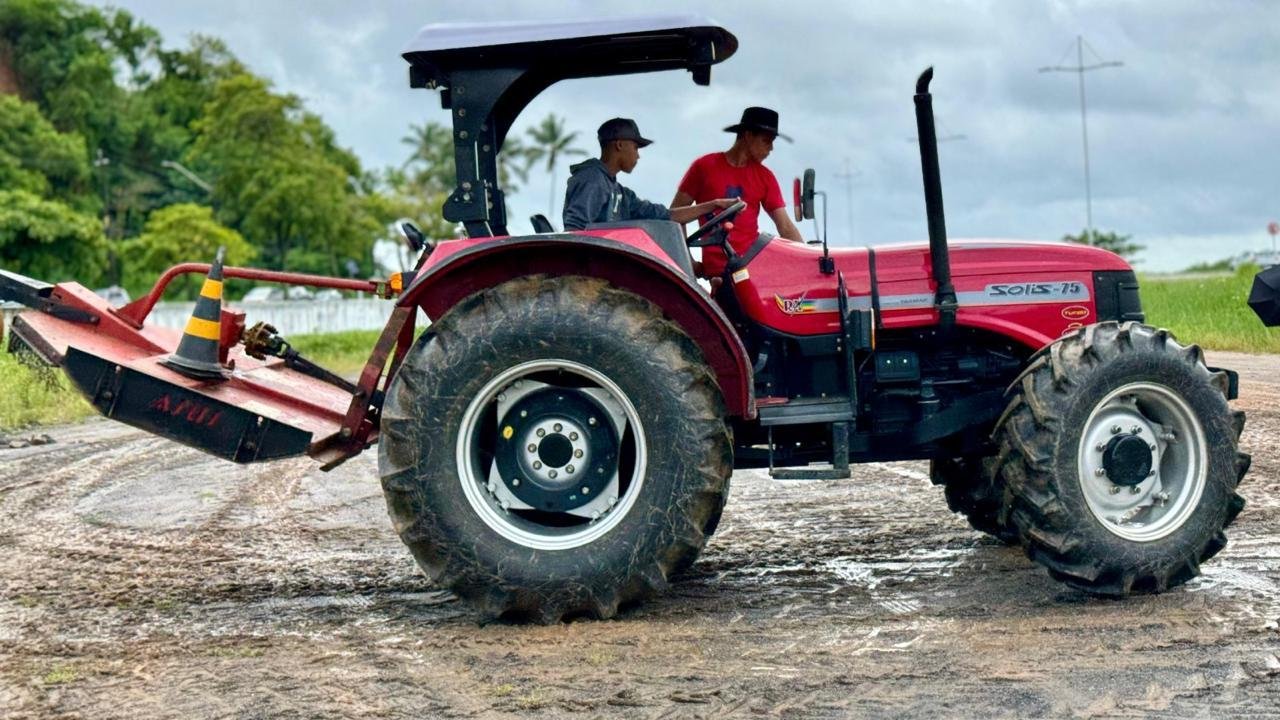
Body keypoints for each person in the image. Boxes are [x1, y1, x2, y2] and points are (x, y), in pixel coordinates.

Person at [671, 107, 804, 277]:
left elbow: (785, 226)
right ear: (748, 136)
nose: (771, 148)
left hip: (751, 269)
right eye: (766, 141)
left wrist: (811, 260)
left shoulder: (765, 177)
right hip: (716, 273)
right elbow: (674, 217)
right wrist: (688, 261)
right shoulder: (703, 167)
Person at [563, 118, 735, 231]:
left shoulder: (623, 194)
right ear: (620, 145)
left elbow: (667, 215)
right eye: (636, 148)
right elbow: (574, 231)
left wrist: (713, 205)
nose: (638, 155)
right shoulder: (593, 179)